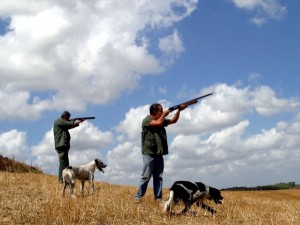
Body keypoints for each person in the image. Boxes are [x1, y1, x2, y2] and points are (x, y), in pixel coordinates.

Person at [134, 103, 186, 202]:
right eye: (160, 111)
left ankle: (158, 199)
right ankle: (138, 198)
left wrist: (179, 110)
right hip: (149, 153)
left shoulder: (160, 119)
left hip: (158, 153)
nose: (162, 112)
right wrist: (165, 114)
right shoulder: (147, 120)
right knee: (146, 177)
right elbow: (157, 123)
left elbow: (173, 121)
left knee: (158, 177)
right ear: (154, 112)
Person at [53, 111, 85, 183]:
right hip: (61, 144)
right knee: (63, 163)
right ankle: (61, 179)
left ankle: (64, 179)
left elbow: (69, 125)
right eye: (68, 117)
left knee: (65, 163)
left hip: (63, 144)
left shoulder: (61, 122)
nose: (69, 119)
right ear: (65, 116)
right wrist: (77, 122)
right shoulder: (59, 121)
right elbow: (69, 124)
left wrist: (77, 122)